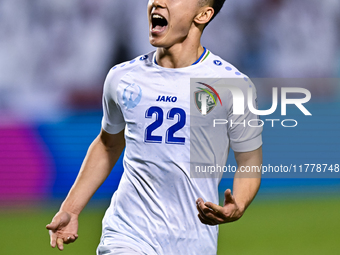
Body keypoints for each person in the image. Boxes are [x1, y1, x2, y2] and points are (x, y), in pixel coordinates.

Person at [46, 0, 263, 254]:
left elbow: (249, 159)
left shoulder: (233, 85)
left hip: (194, 241)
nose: (157, 2)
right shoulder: (123, 78)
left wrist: (238, 204)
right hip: (128, 234)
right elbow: (108, 144)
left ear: (203, 14)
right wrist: (71, 209)